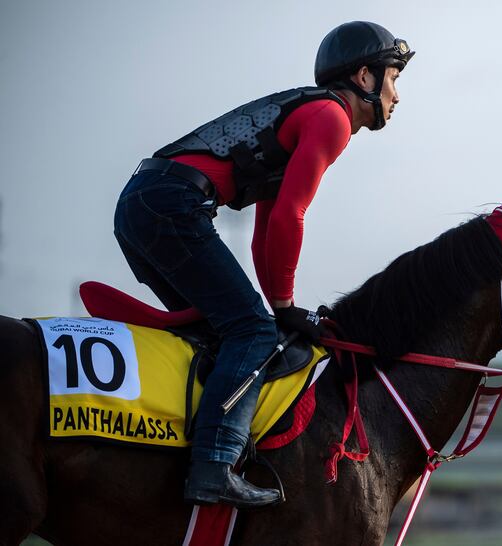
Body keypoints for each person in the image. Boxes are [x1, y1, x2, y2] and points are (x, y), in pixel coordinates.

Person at [112, 21, 414, 508]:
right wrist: (281, 306)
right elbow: (292, 216)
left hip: (145, 203)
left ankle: (176, 448)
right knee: (250, 333)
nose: (398, 96)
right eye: (394, 79)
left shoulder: (306, 112)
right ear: (364, 77)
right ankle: (214, 464)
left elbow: (267, 228)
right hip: (169, 204)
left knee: (228, 331)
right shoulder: (331, 119)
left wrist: (281, 307)